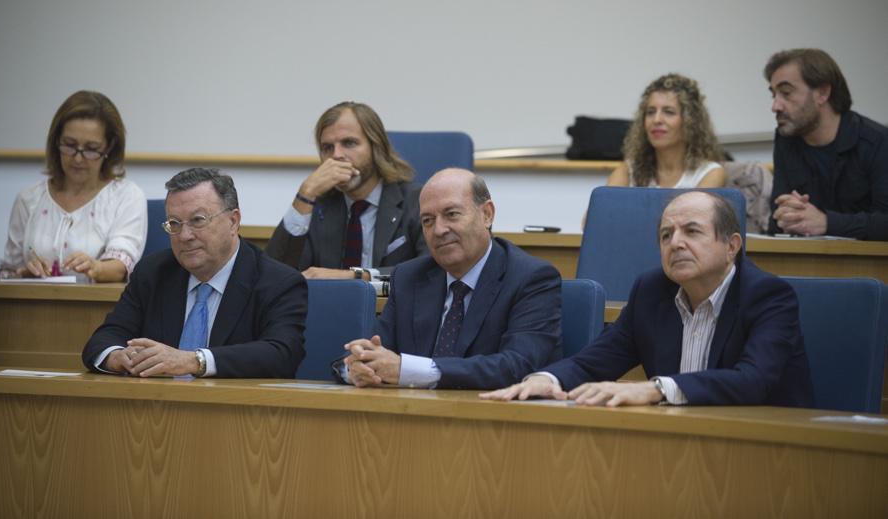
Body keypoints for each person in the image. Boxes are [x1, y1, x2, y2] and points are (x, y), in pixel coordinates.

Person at [481, 191, 813, 407]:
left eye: (692, 231)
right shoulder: (651, 291)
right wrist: (544, 379)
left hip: (766, 449)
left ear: (732, 246)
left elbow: (752, 381)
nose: (676, 243)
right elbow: (592, 362)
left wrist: (656, 389)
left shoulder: (768, 296)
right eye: (666, 235)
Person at [340, 168, 562, 390]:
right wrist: (356, 368)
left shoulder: (531, 278)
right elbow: (370, 351)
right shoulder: (409, 278)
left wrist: (408, 370)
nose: (438, 230)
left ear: (487, 214)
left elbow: (517, 366)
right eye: (427, 220)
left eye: (451, 214)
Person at [82, 168, 306, 378]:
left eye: (198, 220)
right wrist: (118, 357)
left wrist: (195, 361)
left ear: (233, 221)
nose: (185, 235)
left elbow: (282, 353)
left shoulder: (278, 281)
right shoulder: (153, 272)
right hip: (155, 411)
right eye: (174, 223)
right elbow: (103, 340)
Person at [265, 101, 427, 281]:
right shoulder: (318, 206)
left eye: (349, 143)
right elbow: (274, 277)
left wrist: (355, 276)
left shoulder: (417, 201)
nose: (336, 155)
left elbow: (429, 270)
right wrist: (305, 194)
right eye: (327, 148)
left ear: (376, 147)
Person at [0, 90, 147, 282]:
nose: (77, 158)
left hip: (97, 310)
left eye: (91, 149)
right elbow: (5, 277)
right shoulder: (29, 199)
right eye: (69, 145)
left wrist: (97, 268)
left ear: (109, 148)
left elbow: (121, 267)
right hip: (34, 308)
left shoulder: (127, 196)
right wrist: (23, 274)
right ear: (56, 141)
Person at [765, 48, 888, 240]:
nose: (775, 106)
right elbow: (776, 220)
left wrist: (827, 222)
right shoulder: (786, 139)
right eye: (774, 95)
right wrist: (787, 216)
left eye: (786, 93)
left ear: (822, 93)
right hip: (808, 263)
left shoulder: (878, 142)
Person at [607, 74, 726, 189]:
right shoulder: (628, 172)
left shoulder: (710, 174)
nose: (656, 120)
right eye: (650, 112)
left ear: (691, 122)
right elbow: (603, 208)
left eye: (669, 112)